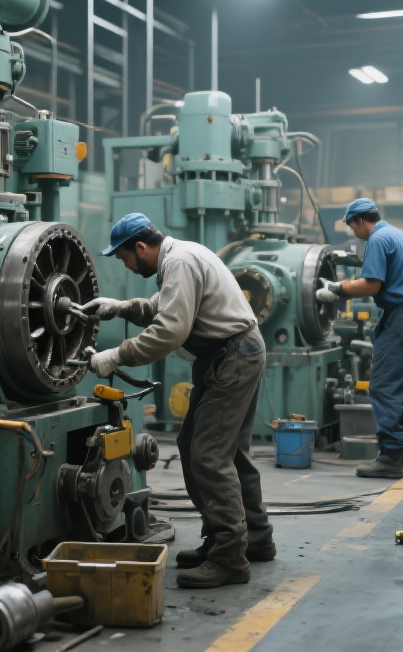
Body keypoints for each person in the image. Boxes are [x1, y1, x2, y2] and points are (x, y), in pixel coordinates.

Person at [82, 213, 274, 589]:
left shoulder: (179, 262)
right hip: (234, 353)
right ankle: (254, 538)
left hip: (232, 356)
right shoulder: (179, 257)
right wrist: (120, 307)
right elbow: (162, 308)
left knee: (209, 455)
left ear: (141, 247)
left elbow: (170, 329)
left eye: (123, 256)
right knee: (218, 450)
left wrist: (116, 356)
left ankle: (229, 557)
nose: (124, 264)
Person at [315, 198, 403, 479]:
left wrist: (337, 289)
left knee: (384, 386)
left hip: (402, 316)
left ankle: (389, 457)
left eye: (351, 225)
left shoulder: (377, 240)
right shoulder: (398, 234)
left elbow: (371, 285)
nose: (352, 231)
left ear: (360, 220)